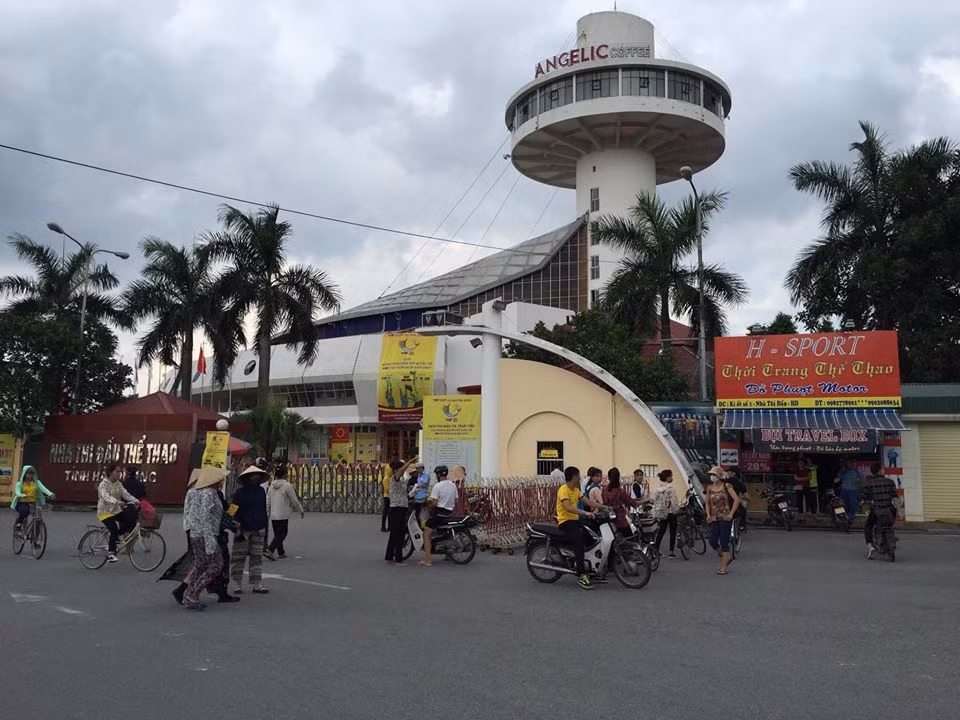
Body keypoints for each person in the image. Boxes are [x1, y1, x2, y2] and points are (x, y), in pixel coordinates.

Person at [182, 466, 230, 610]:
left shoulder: (201, 492)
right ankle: (193, 593)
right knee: (216, 565)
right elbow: (205, 517)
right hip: (205, 534)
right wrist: (210, 541)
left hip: (196, 534)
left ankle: (188, 594)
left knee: (201, 564)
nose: (222, 481)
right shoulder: (208, 493)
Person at [557, 465, 606, 590]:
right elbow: (568, 507)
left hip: (575, 521)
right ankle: (581, 575)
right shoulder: (564, 490)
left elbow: (588, 501)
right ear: (573, 477)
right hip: (565, 522)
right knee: (579, 544)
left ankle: (588, 568)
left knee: (591, 540)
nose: (580, 478)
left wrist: (604, 507)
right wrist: (585, 513)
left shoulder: (575, 490)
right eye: (578, 476)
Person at [230, 465, 270, 595]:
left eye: (258, 477)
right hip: (242, 529)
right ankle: (237, 584)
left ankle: (257, 584)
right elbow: (232, 511)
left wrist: (266, 531)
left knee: (257, 558)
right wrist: (236, 528)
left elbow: (264, 511)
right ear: (247, 478)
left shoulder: (261, 492)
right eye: (253, 477)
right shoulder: (239, 493)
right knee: (238, 558)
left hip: (259, 528)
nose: (256, 479)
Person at [97, 461, 140, 563]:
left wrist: (136, 500)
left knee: (130, 520)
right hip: (104, 512)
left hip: (115, 511)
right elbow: (105, 496)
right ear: (111, 472)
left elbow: (126, 494)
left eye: (120, 472)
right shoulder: (103, 484)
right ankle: (111, 554)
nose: (119, 474)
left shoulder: (118, 484)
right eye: (117, 471)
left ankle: (116, 537)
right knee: (114, 529)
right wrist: (117, 502)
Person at [420, 465, 458, 566]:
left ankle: (428, 560)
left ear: (438, 475)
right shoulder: (453, 485)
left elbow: (434, 503)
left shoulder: (438, 486)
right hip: (449, 513)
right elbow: (456, 500)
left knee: (426, 533)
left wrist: (429, 504)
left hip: (439, 513)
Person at [705, 466, 740, 575]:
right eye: (711, 475)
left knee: (724, 541)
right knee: (712, 540)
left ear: (719, 476)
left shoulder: (727, 486)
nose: (712, 477)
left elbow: (736, 500)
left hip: (725, 517)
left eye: (714, 475)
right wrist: (708, 514)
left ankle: (724, 567)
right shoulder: (709, 488)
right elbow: (707, 502)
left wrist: (731, 514)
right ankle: (726, 555)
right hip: (714, 517)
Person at [265, 463, 303, 560]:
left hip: (273, 514)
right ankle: (270, 550)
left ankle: (281, 552)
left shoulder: (271, 486)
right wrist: (300, 510)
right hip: (283, 514)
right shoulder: (287, 486)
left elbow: (268, 501)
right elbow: (294, 500)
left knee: (278, 534)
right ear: (285, 474)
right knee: (282, 534)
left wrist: (266, 512)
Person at [385, 456, 418, 564]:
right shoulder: (395, 478)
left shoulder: (401, 479)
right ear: (396, 469)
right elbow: (401, 471)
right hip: (396, 509)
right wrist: (409, 462)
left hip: (402, 508)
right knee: (398, 534)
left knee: (395, 534)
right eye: (400, 468)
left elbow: (404, 494)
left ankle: (389, 556)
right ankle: (398, 558)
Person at [863, 462, 898, 559]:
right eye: (883, 468)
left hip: (876, 510)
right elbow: (895, 497)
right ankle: (890, 538)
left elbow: (865, 496)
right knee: (890, 523)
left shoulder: (869, 483)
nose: (884, 470)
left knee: (867, 526)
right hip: (889, 510)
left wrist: (865, 500)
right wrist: (900, 511)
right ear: (879, 470)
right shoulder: (890, 482)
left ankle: (870, 547)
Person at [10, 465, 54, 531]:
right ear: (24, 474)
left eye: (32, 473)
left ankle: (36, 533)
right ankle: (19, 523)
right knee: (25, 511)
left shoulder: (37, 483)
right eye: (28, 473)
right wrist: (21, 495)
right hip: (22, 502)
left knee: (38, 516)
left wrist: (50, 494)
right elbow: (17, 492)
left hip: (33, 502)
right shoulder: (19, 484)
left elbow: (44, 489)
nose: (30, 475)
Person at [601, 468, 641, 537]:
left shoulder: (604, 489)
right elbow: (633, 503)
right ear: (618, 477)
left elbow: (603, 502)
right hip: (620, 520)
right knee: (630, 540)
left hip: (609, 521)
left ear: (609, 477)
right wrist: (647, 500)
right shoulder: (620, 491)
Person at [652, 469, 680, 557]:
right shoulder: (671, 489)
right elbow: (674, 502)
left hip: (662, 513)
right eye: (671, 476)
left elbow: (653, 500)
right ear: (668, 478)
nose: (672, 478)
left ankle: (656, 550)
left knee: (661, 531)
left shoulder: (658, 489)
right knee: (672, 532)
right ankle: (671, 552)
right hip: (671, 513)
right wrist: (676, 510)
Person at [726, 466, 748, 532]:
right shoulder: (740, 482)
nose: (728, 473)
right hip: (735, 502)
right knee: (743, 512)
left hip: (726, 502)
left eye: (730, 472)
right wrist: (745, 498)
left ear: (734, 473)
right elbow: (745, 494)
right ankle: (742, 525)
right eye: (728, 471)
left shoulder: (725, 481)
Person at [380, 467, 391, 533]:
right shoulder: (386, 478)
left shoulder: (389, 477)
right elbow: (387, 489)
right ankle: (383, 527)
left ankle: (389, 526)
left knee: (389, 513)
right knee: (386, 512)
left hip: (388, 496)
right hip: (387, 497)